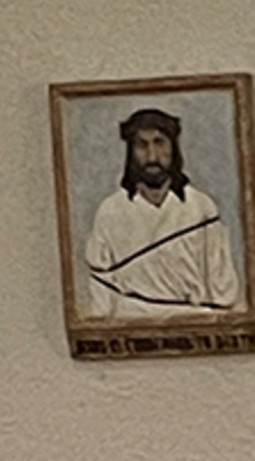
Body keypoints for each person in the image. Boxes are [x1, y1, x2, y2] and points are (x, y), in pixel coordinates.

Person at [78, 107, 242, 319]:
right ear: (130, 152)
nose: (152, 156)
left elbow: (223, 291)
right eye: (142, 146)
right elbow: (101, 294)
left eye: (159, 143)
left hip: (193, 320)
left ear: (173, 148)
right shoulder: (110, 211)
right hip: (131, 321)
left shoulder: (201, 207)